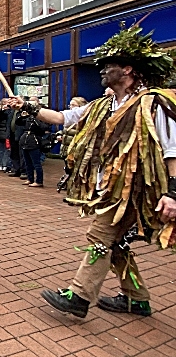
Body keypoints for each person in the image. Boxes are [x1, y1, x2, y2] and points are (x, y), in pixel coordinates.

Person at [9, 24, 176, 318]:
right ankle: (136, 299)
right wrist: (27, 106)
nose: (101, 70)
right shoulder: (102, 106)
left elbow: (173, 150)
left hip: (136, 191)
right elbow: (61, 117)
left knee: (99, 237)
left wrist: (172, 193)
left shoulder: (153, 104)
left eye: (108, 65)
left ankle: (79, 295)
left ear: (127, 70)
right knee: (117, 245)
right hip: (110, 189)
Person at [56, 97, 88, 192]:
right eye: (70, 105)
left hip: (75, 149)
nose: (71, 107)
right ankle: (69, 187)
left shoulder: (82, 119)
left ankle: (75, 190)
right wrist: (59, 134)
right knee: (67, 168)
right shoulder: (69, 118)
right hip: (66, 147)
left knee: (75, 170)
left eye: (73, 105)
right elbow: (64, 131)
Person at [16, 103, 50, 188]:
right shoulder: (29, 117)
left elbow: (44, 127)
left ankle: (39, 181)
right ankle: (30, 178)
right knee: (27, 162)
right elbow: (18, 122)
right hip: (25, 140)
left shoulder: (43, 119)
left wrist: (35, 119)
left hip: (34, 141)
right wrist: (22, 116)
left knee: (36, 163)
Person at [0, 99, 13, 172]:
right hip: (3, 133)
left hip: (2, 133)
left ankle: (3, 164)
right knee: (4, 150)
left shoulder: (5, 112)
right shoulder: (2, 112)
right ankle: (3, 164)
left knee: (3, 150)